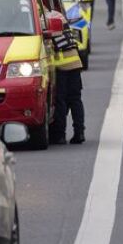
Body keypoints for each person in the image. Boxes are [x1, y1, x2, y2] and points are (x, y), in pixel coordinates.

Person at [49, 11, 86, 145]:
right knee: (75, 99)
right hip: (75, 62)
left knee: (60, 100)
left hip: (61, 65)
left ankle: (60, 135)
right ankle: (79, 132)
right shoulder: (57, 15)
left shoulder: (42, 19)